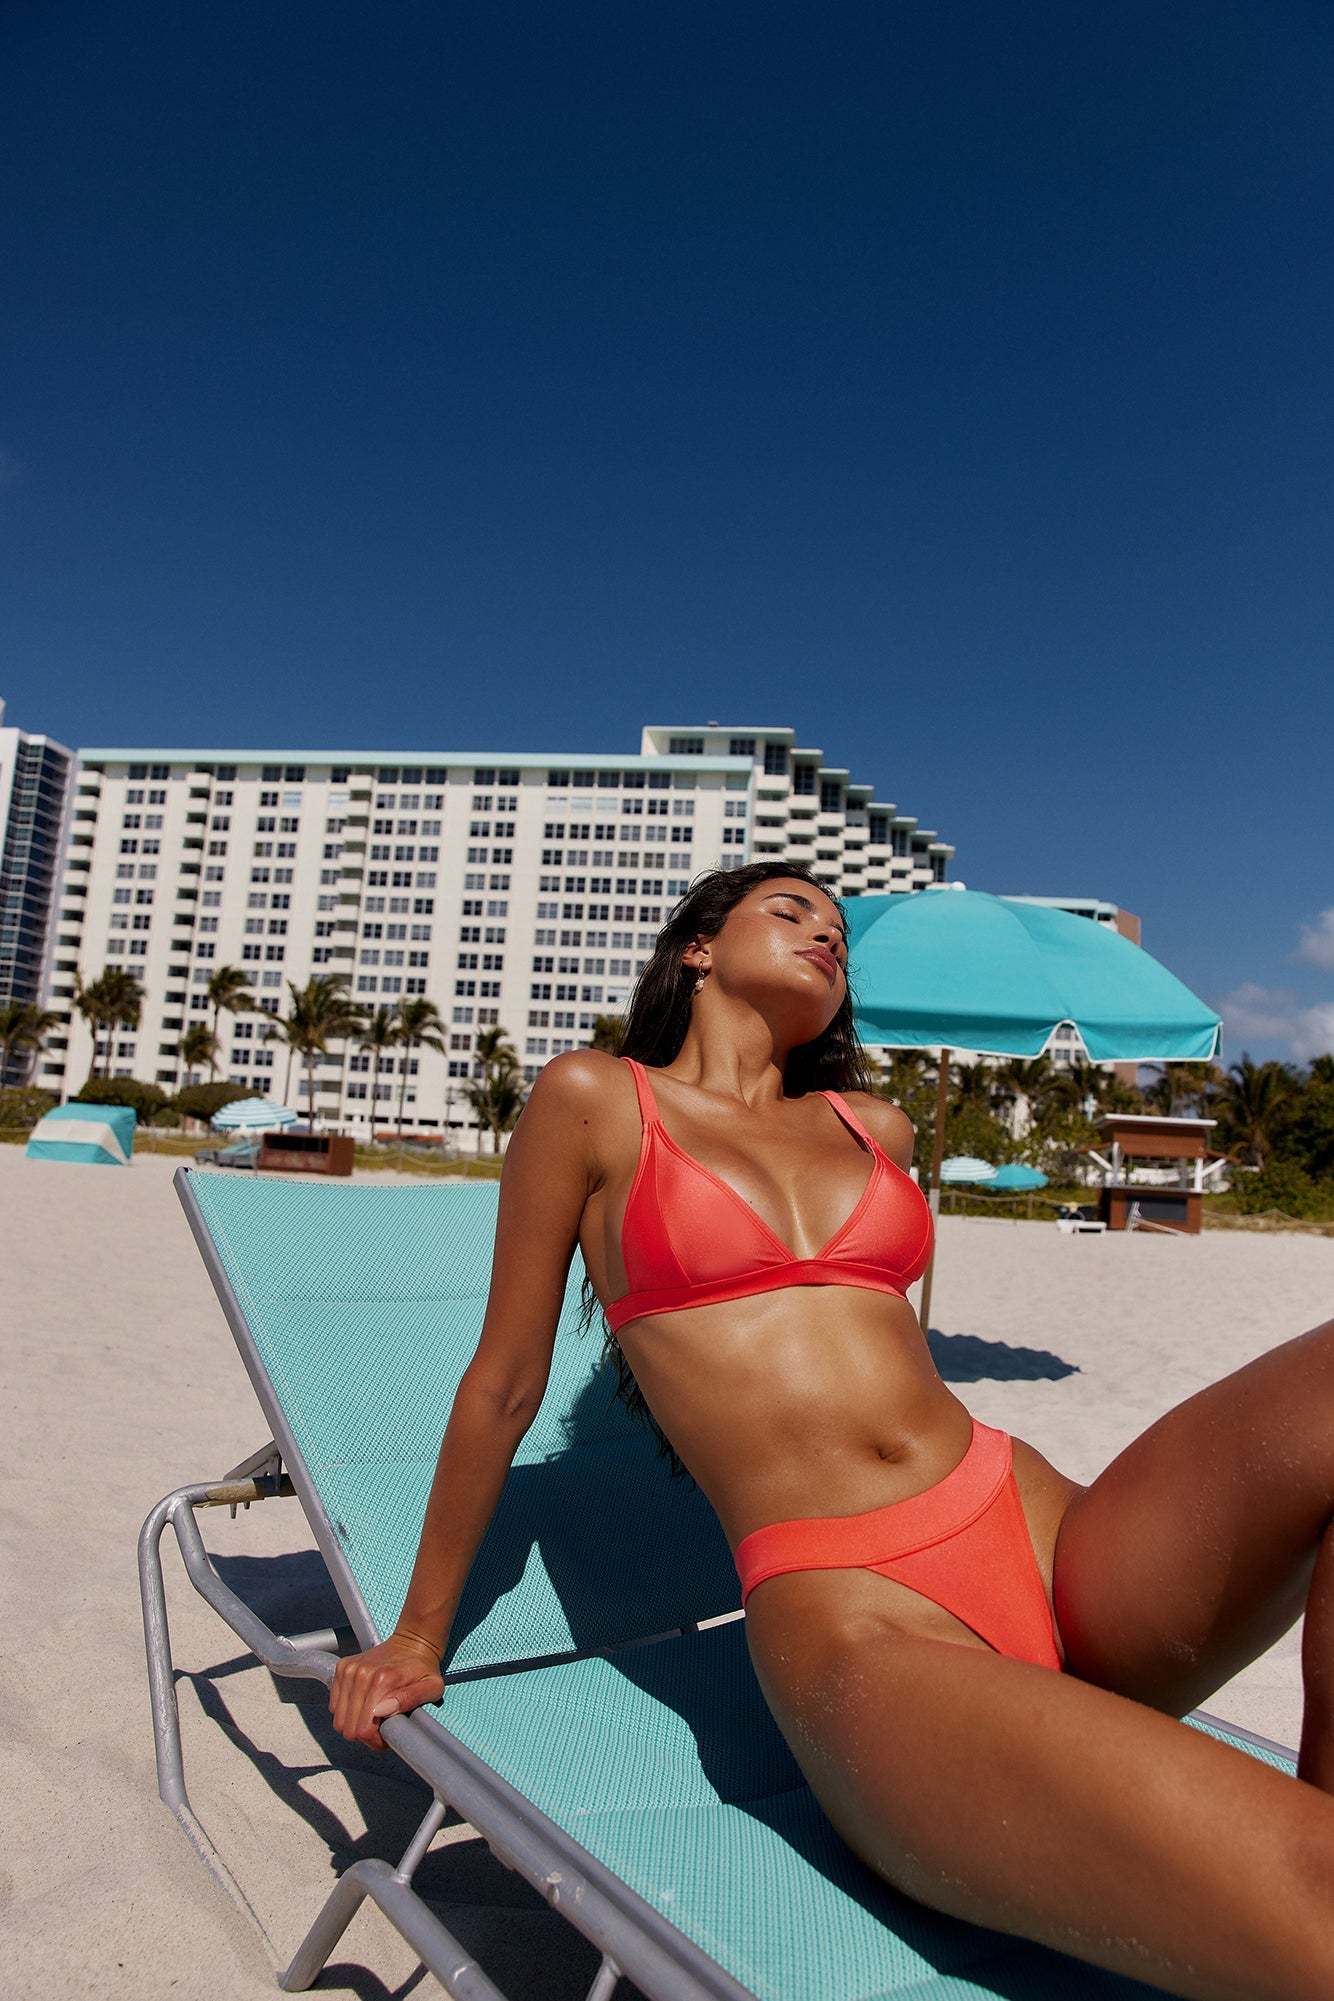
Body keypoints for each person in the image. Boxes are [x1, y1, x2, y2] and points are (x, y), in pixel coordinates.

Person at [331, 861, 1334, 1998]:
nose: (824, 935)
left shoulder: (875, 1125)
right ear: (697, 948)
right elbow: (505, 1384)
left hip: (1037, 1527)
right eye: (789, 911)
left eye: (839, 935)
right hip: (862, 1617)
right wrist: (417, 1637)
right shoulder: (595, 1098)